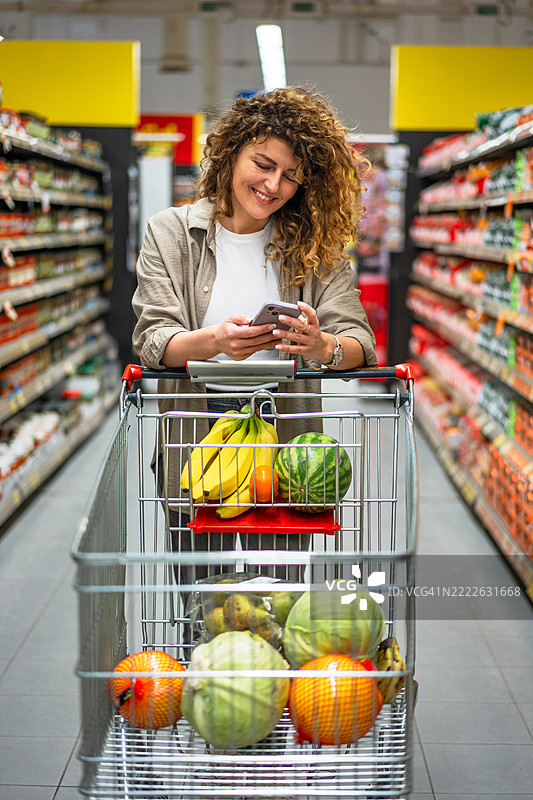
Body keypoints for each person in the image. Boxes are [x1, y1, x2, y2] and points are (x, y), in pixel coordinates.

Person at [131, 86, 378, 595]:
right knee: (201, 597)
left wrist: (320, 345)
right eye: (263, 164)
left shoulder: (315, 248)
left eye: (291, 176)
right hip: (196, 439)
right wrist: (214, 342)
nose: (273, 185)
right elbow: (154, 339)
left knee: (281, 596)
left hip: (286, 442)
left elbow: (359, 343)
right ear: (231, 152)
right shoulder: (171, 233)